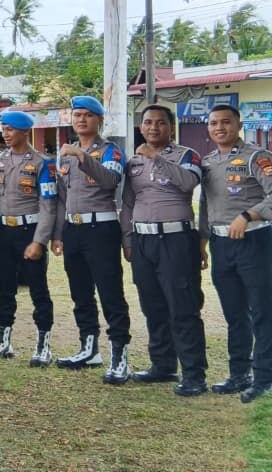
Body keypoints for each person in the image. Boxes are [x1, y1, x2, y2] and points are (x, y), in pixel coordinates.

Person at [121, 104, 207, 397]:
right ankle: (163, 365)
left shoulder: (187, 155)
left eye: (160, 123)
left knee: (183, 307)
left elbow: (188, 182)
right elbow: (128, 203)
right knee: (153, 306)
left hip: (176, 239)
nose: (153, 127)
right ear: (141, 127)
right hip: (143, 241)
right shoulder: (133, 162)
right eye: (148, 122)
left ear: (171, 127)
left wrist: (156, 158)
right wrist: (128, 240)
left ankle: (194, 374)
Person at [53, 95, 132, 384]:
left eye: (88, 115)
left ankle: (120, 355)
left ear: (100, 120)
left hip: (101, 228)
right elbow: (62, 197)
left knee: (110, 293)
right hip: (73, 229)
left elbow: (110, 181)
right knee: (80, 293)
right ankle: (89, 348)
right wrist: (59, 234)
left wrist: (82, 156)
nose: (81, 120)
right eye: (77, 115)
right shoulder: (64, 154)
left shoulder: (111, 151)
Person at [200, 104, 272, 402]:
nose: (220, 127)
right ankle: (239, 374)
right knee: (235, 314)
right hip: (221, 245)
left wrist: (248, 215)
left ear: (239, 125)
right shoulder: (207, 162)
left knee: (263, 312)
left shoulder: (257, 157)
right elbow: (205, 205)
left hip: (254, 243)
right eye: (214, 123)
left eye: (226, 122)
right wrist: (202, 242)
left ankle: (264, 378)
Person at [0, 110, 58, 366]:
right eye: (3, 129)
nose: (5, 134)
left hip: (29, 231)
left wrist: (39, 241)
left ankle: (43, 345)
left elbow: (48, 205)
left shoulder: (42, 163)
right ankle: (4, 341)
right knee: (4, 289)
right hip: (3, 231)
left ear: (25, 132)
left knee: (38, 290)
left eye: (10, 129)